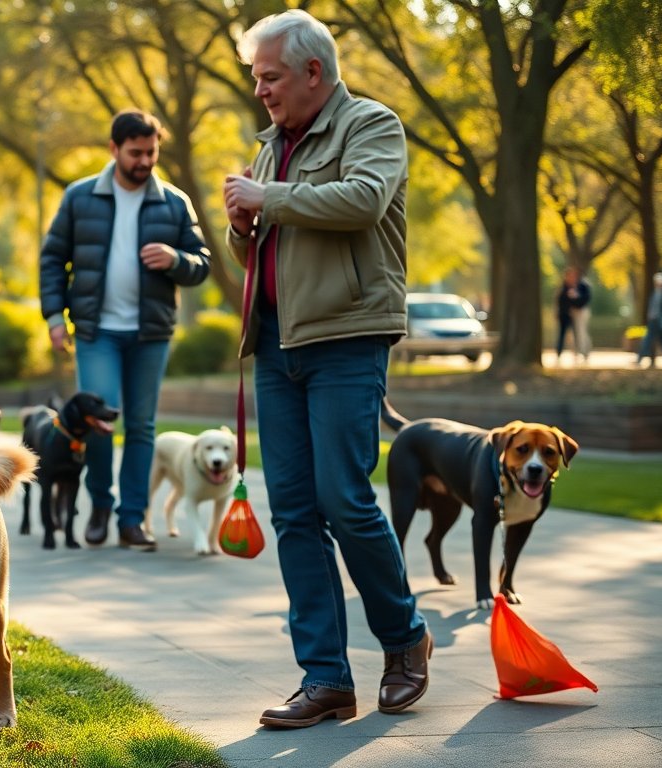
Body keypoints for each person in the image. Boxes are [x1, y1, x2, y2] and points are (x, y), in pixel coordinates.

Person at [222, 9, 431, 727]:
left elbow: (363, 201)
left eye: (270, 77)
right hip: (277, 346)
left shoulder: (371, 126)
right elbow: (260, 249)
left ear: (314, 71)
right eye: (257, 78)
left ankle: (404, 640)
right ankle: (325, 679)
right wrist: (241, 229)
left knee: (345, 499)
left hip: (347, 336)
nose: (262, 91)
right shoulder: (267, 148)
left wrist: (267, 199)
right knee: (295, 513)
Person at [39, 108, 211, 552]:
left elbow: (202, 263)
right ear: (114, 149)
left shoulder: (173, 203)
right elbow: (53, 259)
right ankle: (99, 506)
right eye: (136, 152)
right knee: (98, 422)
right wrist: (55, 317)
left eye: (151, 152)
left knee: (141, 426)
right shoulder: (79, 198)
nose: (145, 161)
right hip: (97, 332)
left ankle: (132, 519)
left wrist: (176, 259)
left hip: (151, 333)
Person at [556, 266, 592, 366]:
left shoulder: (582, 285)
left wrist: (575, 299)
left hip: (578, 313)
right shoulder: (564, 287)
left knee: (580, 333)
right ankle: (561, 353)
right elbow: (560, 301)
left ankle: (583, 353)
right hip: (566, 314)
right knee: (565, 335)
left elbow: (584, 300)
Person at [636, 271, 662, 368]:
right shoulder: (654, 292)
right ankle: (639, 359)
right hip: (653, 321)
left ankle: (640, 359)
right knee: (648, 340)